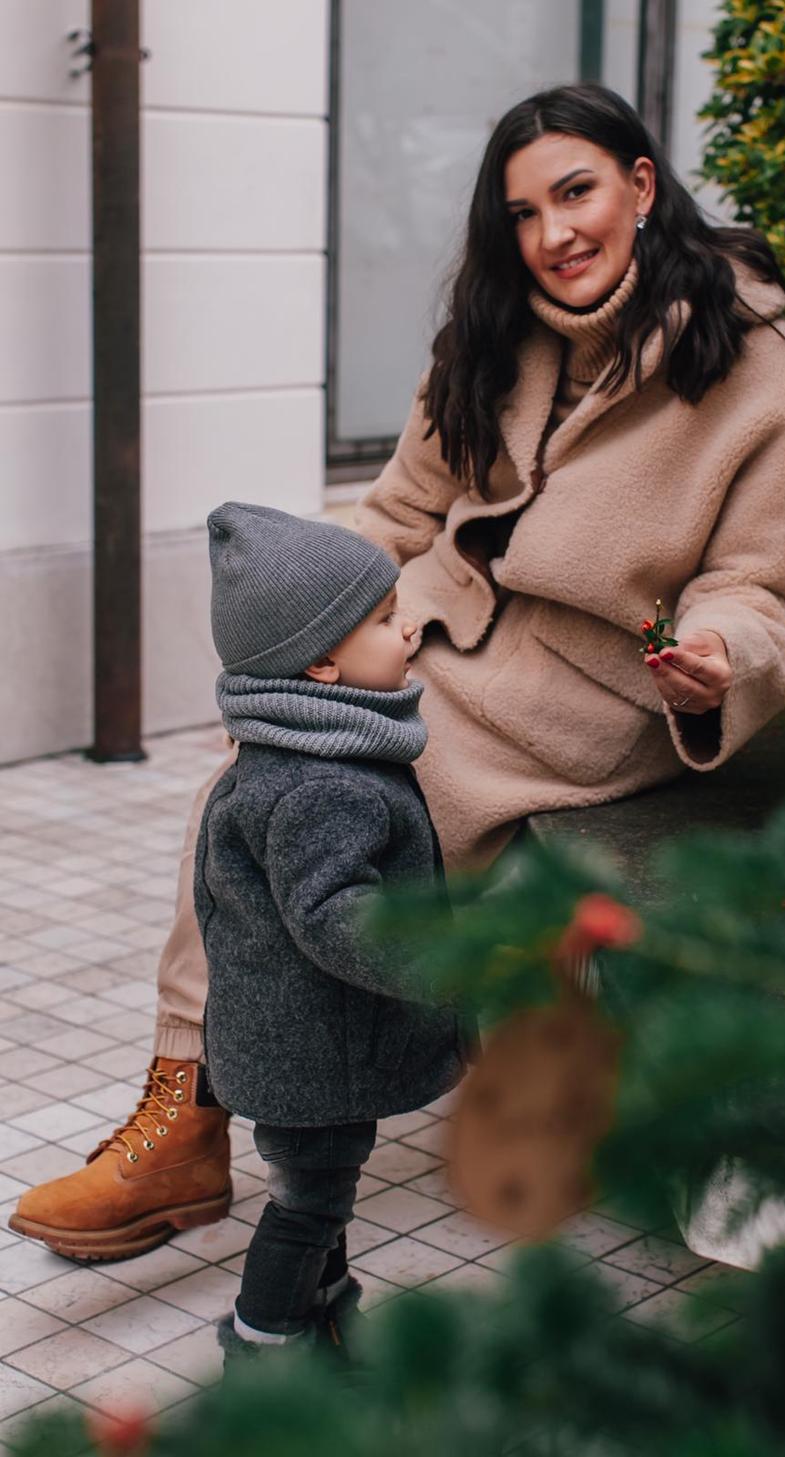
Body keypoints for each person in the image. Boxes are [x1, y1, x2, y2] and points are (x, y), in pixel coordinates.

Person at [10, 83, 785, 1261]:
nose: (553, 232)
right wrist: (307, 650)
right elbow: (399, 512)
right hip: (425, 643)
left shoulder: (755, 369)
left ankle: (221, 1107)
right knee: (246, 791)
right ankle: (185, 1112)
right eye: (521, 211)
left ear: (640, 186)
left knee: (297, 806)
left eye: (576, 191)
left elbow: (773, 587)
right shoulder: (493, 336)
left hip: (583, 698)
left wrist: (721, 655)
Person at [201, 502, 467, 1355]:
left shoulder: (297, 752)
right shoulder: (324, 783)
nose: (409, 630)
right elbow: (334, 916)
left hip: (299, 1046)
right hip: (316, 1053)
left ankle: (324, 1306)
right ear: (322, 663)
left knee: (323, 1190)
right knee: (307, 1201)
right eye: (385, 621)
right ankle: (266, 1341)